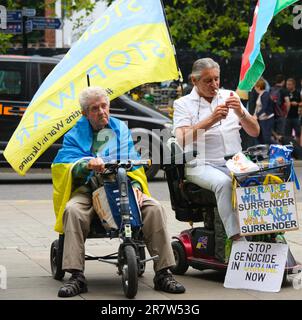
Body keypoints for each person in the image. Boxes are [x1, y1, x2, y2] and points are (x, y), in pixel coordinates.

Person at [52, 86, 185, 297]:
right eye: (94, 108)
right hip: (89, 188)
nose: (101, 111)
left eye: (104, 106)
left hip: (122, 184)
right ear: (85, 113)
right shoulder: (74, 134)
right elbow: (63, 165)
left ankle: (163, 273)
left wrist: (138, 186)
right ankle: (76, 276)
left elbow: (133, 162)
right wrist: (86, 164)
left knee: (154, 208)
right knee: (72, 211)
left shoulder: (120, 128)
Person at [173, 58, 260, 241]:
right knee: (224, 184)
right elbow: (181, 139)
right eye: (208, 80)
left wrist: (241, 113)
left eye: (216, 79)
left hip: (236, 161)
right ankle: (236, 239)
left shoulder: (229, 95)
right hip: (203, 164)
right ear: (194, 81)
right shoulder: (183, 103)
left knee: (265, 178)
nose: (214, 84)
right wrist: (211, 120)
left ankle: (268, 234)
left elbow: (254, 131)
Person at [253, 78, 274, 145]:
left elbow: (264, 107)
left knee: (267, 138)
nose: (254, 88)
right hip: (261, 119)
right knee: (261, 138)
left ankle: (279, 148)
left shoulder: (265, 95)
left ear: (258, 87)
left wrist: (257, 115)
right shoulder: (261, 94)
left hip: (267, 119)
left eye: (255, 87)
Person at [285, 78, 302, 144]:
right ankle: (288, 148)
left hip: (296, 117)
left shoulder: (298, 93)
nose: (288, 86)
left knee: (298, 133)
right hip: (287, 117)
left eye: (289, 84)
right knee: (287, 135)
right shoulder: (285, 92)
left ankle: (298, 148)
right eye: (287, 84)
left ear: (294, 85)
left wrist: (297, 104)